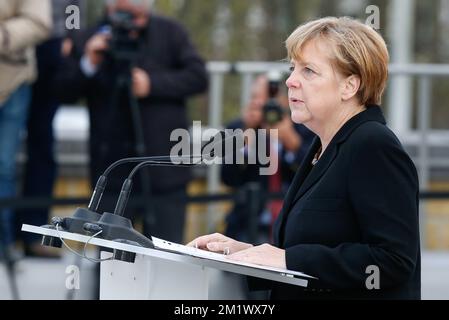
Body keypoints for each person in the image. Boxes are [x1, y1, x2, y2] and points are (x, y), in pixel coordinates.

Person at [188, 17, 421, 300]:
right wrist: (246, 254)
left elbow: (393, 261)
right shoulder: (321, 146)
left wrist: (289, 260)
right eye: (292, 68)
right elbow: (316, 248)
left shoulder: (372, 144)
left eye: (308, 71)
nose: (290, 80)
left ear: (350, 86)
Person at [55, 0, 208, 244]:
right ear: (109, 10)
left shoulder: (171, 33)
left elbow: (199, 77)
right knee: (110, 261)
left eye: (136, 16)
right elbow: (63, 90)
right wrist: (89, 63)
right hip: (111, 169)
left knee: (164, 254)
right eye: (122, 14)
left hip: (163, 169)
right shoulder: (90, 38)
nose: (130, 24)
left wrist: (152, 84)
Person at [16, 0, 81, 258]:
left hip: (51, 47)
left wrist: (71, 37)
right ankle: (6, 237)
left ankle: (32, 234)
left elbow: (74, 7)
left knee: (42, 146)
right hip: (12, 49)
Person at [222, 75, 314, 243]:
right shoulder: (238, 128)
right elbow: (228, 178)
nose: (266, 105)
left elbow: (318, 174)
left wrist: (292, 143)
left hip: (294, 225)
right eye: (258, 98)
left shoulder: (307, 127)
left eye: (271, 97)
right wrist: (245, 144)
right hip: (249, 223)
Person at [0, 0, 52, 260]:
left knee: (3, 166)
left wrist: (4, 35)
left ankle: (3, 243)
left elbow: (40, 22)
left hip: (13, 80)